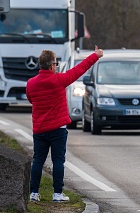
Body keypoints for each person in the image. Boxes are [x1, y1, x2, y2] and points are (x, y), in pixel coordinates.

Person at [26, 45, 104, 202]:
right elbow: (79, 69)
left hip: (40, 129)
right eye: (55, 63)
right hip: (58, 129)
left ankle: (34, 193)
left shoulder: (31, 83)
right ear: (51, 65)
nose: (56, 66)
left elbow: (31, 100)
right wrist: (95, 56)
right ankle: (57, 194)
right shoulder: (59, 80)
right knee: (58, 161)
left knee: (38, 160)